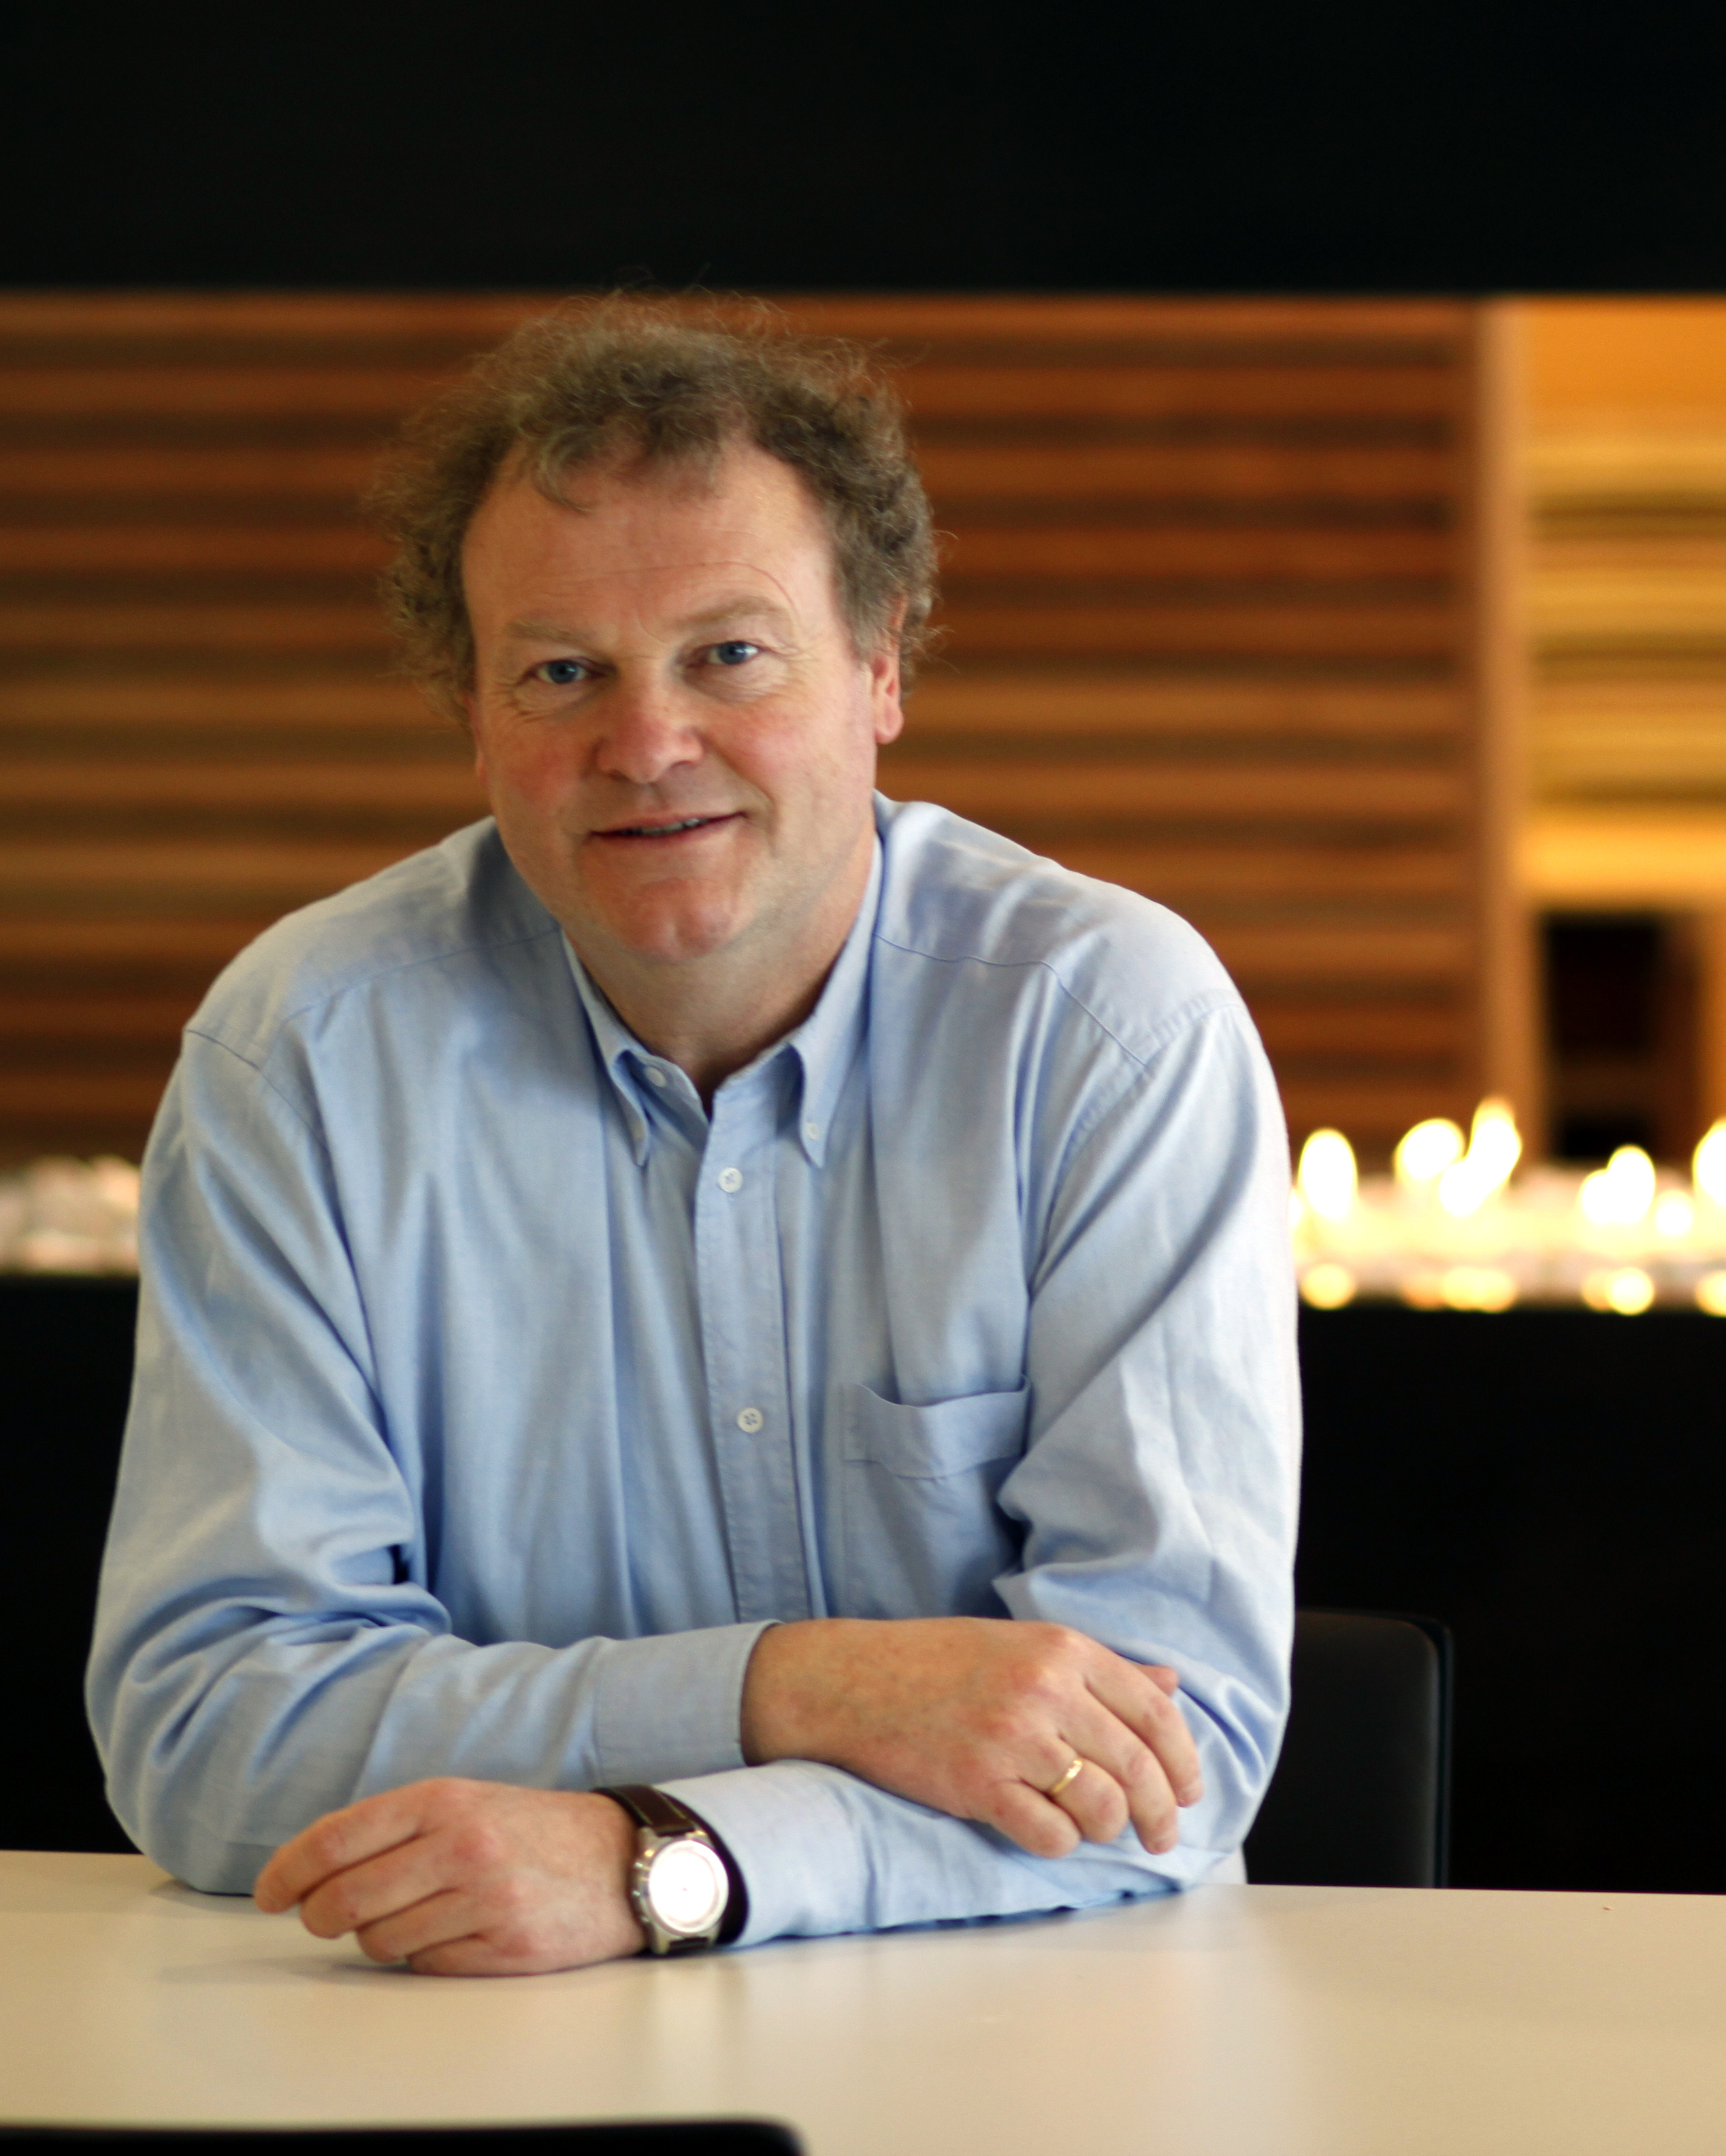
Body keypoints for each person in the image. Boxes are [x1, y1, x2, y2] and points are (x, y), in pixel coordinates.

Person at [86, 299, 1300, 1975]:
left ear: (881, 666)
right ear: (473, 713)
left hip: (1048, 2037)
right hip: (467, 2052)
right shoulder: (306, 1054)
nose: (646, 745)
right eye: (561, 672)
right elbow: (210, 1729)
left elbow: (1172, 1758)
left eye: (730, 655)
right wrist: (791, 1687)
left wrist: (660, 1861)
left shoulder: (1106, 1033)